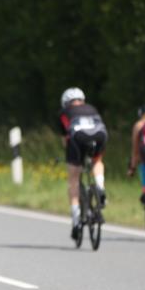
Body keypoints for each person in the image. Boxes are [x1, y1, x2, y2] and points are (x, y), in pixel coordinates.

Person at [58, 87, 108, 241]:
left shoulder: (64, 112)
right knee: (97, 161)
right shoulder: (91, 108)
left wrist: (72, 158)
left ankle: (76, 221)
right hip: (100, 134)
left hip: (77, 136)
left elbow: (65, 139)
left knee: (73, 178)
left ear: (65, 102)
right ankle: (100, 187)